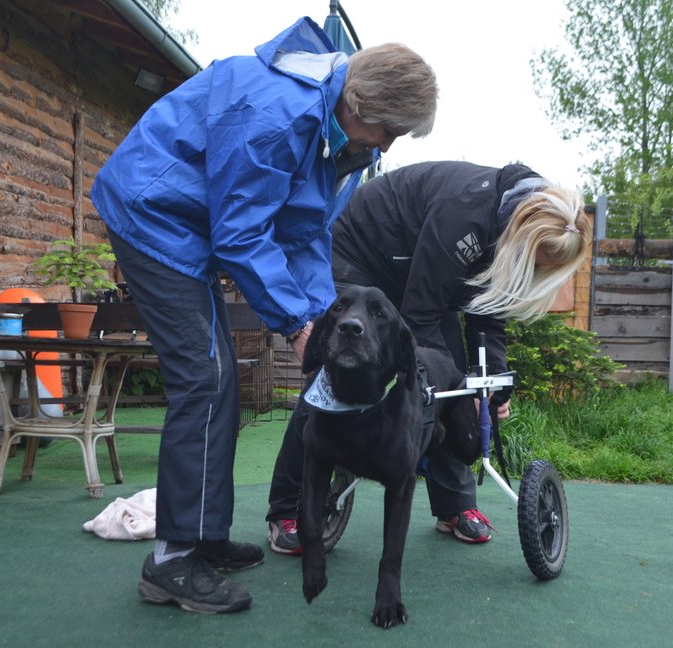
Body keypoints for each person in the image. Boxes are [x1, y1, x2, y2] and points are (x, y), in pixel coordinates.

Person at [90, 17, 437, 614]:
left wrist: (319, 322)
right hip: (152, 216)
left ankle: (202, 535)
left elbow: (304, 236)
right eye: (390, 130)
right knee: (207, 379)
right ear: (362, 103)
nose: (388, 146)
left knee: (217, 380)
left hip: (191, 228)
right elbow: (242, 234)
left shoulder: (337, 141)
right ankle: (172, 562)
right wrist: (296, 326)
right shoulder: (273, 114)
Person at [266, 160, 592, 553]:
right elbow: (419, 317)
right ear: (524, 238)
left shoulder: (505, 227)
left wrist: (489, 390)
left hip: (416, 276)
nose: (540, 271)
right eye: (540, 262)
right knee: (332, 380)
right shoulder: (466, 216)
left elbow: (487, 315)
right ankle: (288, 508)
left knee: (451, 388)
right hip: (359, 258)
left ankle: (454, 507)